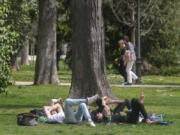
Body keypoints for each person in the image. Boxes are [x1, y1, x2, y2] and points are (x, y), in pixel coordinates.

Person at [92, 93, 158, 125]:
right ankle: (147, 119)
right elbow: (106, 110)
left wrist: (111, 102)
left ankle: (146, 116)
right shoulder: (107, 119)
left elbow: (107, 110)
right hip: (130, 120)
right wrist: (104, 104)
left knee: (134, 100)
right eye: (98, 115)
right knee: (137, 103)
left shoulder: (107, 116)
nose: (99, 114)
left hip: (129, 117)